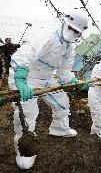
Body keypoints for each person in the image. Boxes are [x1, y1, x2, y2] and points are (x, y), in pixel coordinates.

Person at [8, 10, 88, 169]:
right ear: (65, 23)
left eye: (76, 31)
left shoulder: (70, 47)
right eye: (71, 28)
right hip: (25, 75)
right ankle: (24, 150)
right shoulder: (48, 36)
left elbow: (64, 72)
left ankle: (59, 129)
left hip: (46, 78)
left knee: (62, 103)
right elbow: (25, 54)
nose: (73, 32)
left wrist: (73, 81)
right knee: (27, 114)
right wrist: (20, 78)